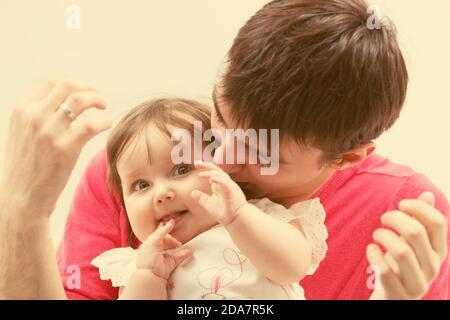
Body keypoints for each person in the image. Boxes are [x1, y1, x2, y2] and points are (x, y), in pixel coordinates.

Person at [0, 0, 448, 300]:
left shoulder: (403, 217)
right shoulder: (141, 168)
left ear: (347, 156)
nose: (222, 158)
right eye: (220, 119)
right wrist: (22, 214)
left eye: (262, 152)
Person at [90, 98, 328, 300]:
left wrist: (237, 216)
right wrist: (149, 277)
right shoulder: (139, 267)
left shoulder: (260, 217)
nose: (161, 194)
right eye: (141, 185)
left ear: (223, 165)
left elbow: (292, 268)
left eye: (181, 169)